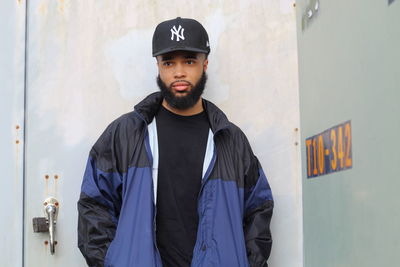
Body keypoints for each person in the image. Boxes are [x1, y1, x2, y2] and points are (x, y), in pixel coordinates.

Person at [77, 17, 273, 267]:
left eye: (189, 61)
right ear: (158, 66)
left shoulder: (230, 140)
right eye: (169, 62)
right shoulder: (126, 134)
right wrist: (114, 262)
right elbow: (94, 205)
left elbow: (258, 208)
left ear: (205, 64)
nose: (179, 72)